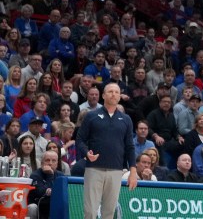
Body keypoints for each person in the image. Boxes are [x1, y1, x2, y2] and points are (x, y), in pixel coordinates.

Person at [76, 82, 137, 219]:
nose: (113, 94)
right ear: (103, 95)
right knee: (90, 212)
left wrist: (133, 171)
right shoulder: (91, 116)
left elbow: (130, 146)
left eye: (116, 92)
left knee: (109, 213)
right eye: (110, 91)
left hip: (116, 170)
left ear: (120, 96)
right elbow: (79, 139)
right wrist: (86, 153)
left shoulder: (126, 119)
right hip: (94, 169)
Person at [28, 150, 63, 219]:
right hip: (39, 206)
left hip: (56, 205)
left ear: (57, 163)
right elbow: (42, 193)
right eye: (47, 160)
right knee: (33, 207)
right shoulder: (35, 175)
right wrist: (50, 175)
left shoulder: (61, 175)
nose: (50, 163)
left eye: (53, 161)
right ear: (42, 163)